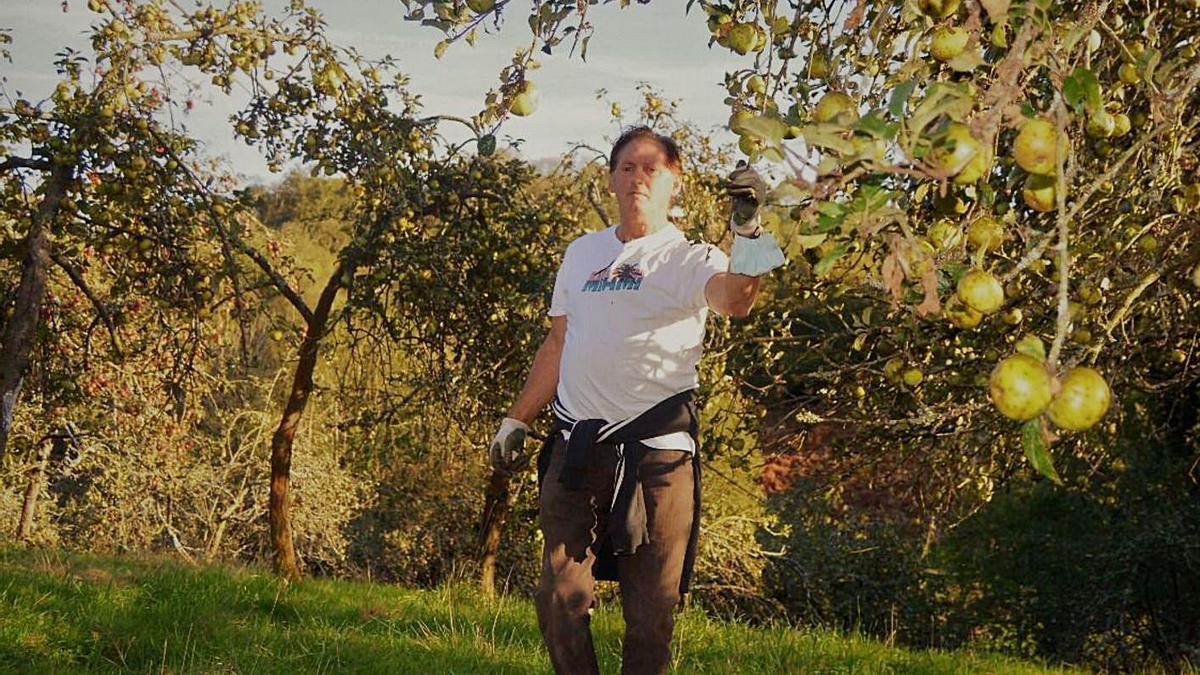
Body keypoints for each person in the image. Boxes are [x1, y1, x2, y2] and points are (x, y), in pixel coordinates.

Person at [488, 126, 784, 675]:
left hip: (657, 457)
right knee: (558, 596)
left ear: (676, 183)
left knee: (651, 615)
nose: (638, 178)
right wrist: (516, 418)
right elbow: (559, 341)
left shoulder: (689, 257)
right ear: (610, 181)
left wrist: (749, 227)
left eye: (652, 168)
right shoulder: (582, 254)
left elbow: (737, 301)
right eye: (627, 168)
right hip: (577, 448)